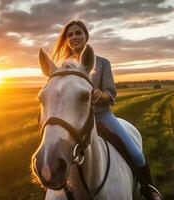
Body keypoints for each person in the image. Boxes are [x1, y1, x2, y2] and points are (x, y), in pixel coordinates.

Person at [51, 19, 162, 200]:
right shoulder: (64, 67)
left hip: (102, 116)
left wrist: (102, 95)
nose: (74, 37)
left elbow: (111, 92)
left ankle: (149, 190)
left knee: (136, 153)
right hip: (76, 122)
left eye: (78, 33)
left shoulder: (102, 63)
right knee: (53, 157)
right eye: (70, 35)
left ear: (86, 36)